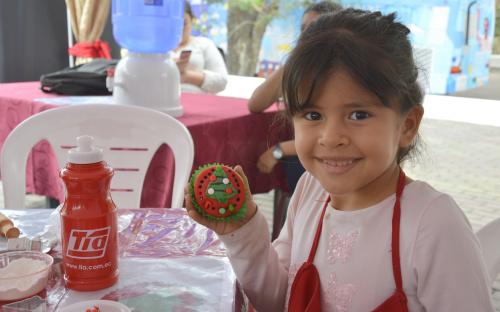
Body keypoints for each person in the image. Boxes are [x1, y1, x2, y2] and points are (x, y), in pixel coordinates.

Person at [185, 8, 495, 312]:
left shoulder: (433, 223)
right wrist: (243, 232)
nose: (331, 137)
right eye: (313, 115)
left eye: (358, 114)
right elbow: (280, 300)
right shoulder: (309, 191)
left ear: (407, 125)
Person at [248, 1, 342, 192]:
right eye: (303, 29)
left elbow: (327, 135)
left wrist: (279, 150)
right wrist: (295, 59)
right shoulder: (301, 69)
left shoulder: (341, 73)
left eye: (313, 28)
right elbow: (256, 104)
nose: (306, 35)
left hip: (331, 159)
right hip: (305, 155)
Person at [172, 1, 228, 94]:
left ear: (192, 20)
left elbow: (221, 81)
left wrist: (187, 76)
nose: (179, 28)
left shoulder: (204, 44)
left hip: (199, 100)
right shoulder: (156, 48)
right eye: (173, 23)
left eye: (184, 23)